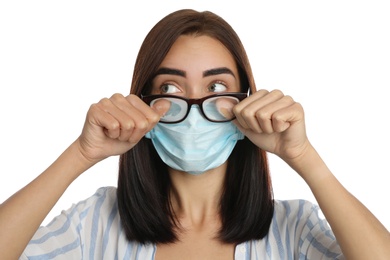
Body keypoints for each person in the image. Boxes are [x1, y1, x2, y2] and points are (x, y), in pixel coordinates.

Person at [0, 9, 389, 260]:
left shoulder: (293, 228)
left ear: (246, 106)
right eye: (170, 88)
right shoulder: (95, 224)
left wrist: (305, 158)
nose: (194, 107)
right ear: (143, 106)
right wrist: (81, 154)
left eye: (217, 87)